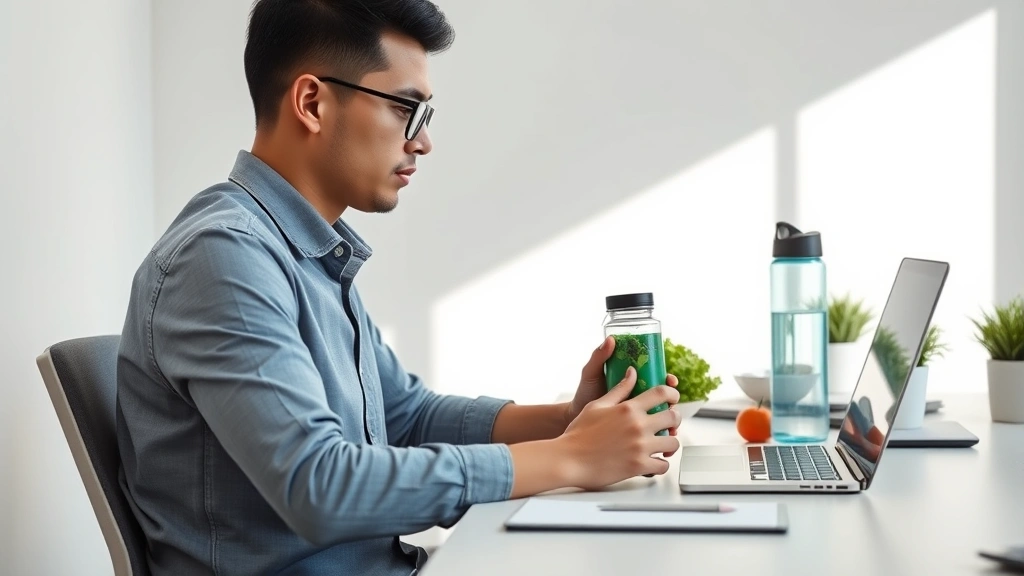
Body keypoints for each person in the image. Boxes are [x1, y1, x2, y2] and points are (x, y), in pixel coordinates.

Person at [115, 1, 683, 575]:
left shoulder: (308, 249)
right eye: (407, 109)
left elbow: (403, 416)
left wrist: (567, 420)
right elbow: (320, 486)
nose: (424, 141)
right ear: (312, 103)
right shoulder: (224, 257)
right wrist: (567, 458)